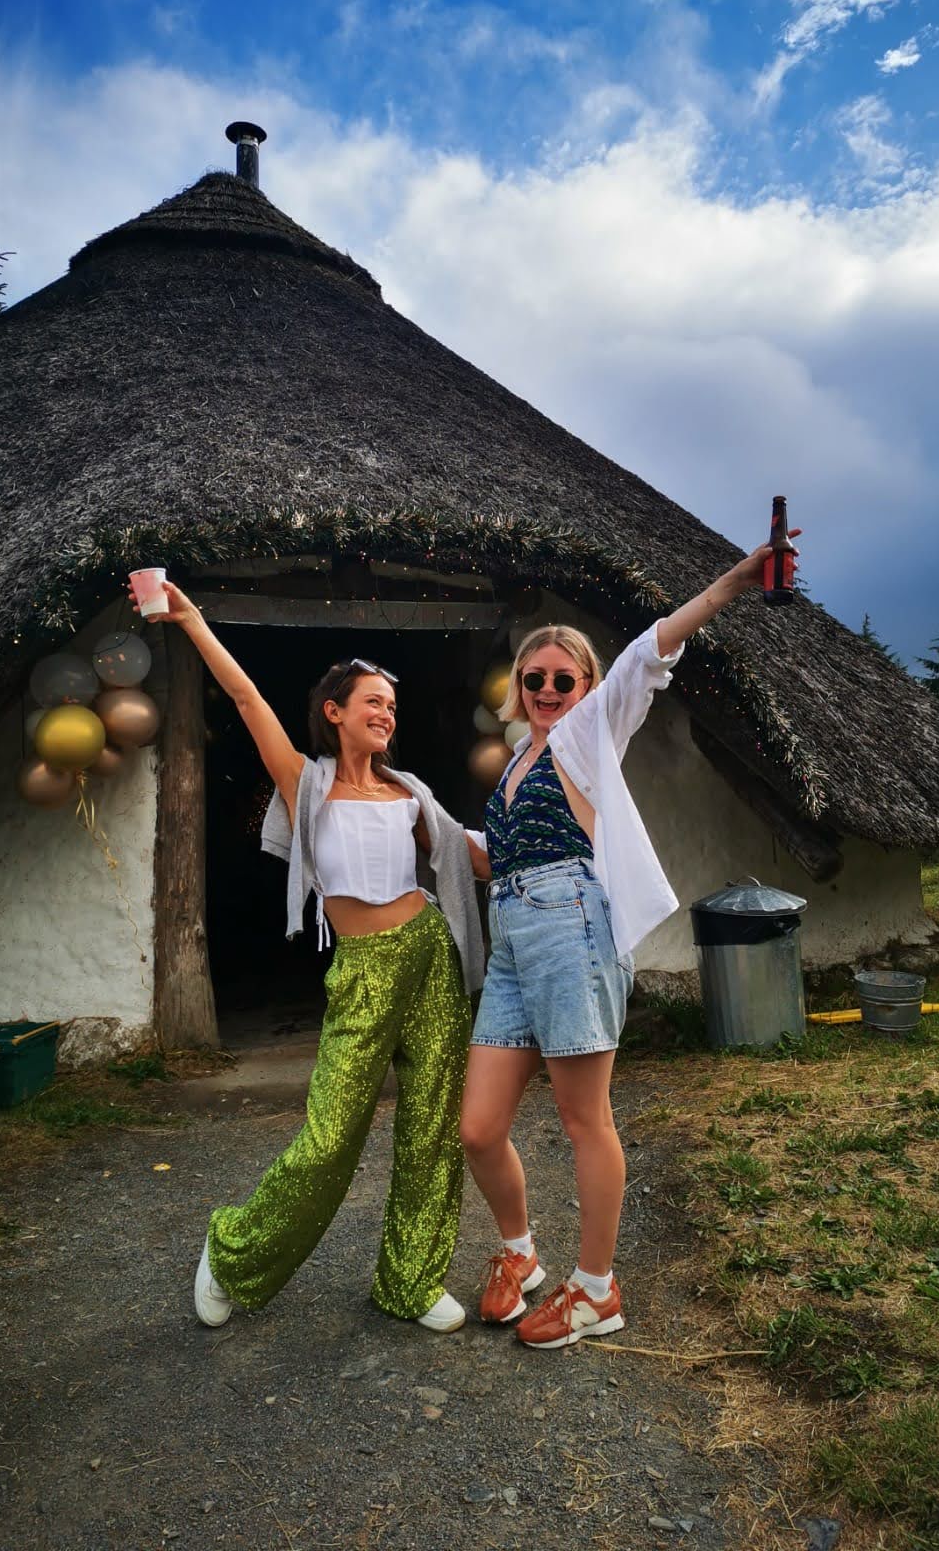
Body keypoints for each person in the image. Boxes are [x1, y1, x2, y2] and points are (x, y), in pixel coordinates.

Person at [459, 536, 800, 1349]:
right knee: (477, 1127)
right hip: (511, 935)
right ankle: (520, 1255)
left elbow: (657, 643)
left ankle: (596, 1290)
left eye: (562, 678)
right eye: (532, 679)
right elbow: (494, 855)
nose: (546, 689)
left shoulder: (588, 734)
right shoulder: (513, 762)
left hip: (570, 928)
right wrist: (417, 825)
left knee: (585, 1120)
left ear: (586, 686)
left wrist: (731, 583)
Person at [130, 579, 488, 1334]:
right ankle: (232, 1252)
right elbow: (243, 693)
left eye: (392, 705)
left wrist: (559, 852)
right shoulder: (305, 782)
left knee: (431, 1128)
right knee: (329, 1141)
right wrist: (191, 617)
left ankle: (411, 1280)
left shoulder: (411, 794)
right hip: (362, 971)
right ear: (335, 711)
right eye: (372, 702)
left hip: (429, 955)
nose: (386, 713)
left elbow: (471, 855)